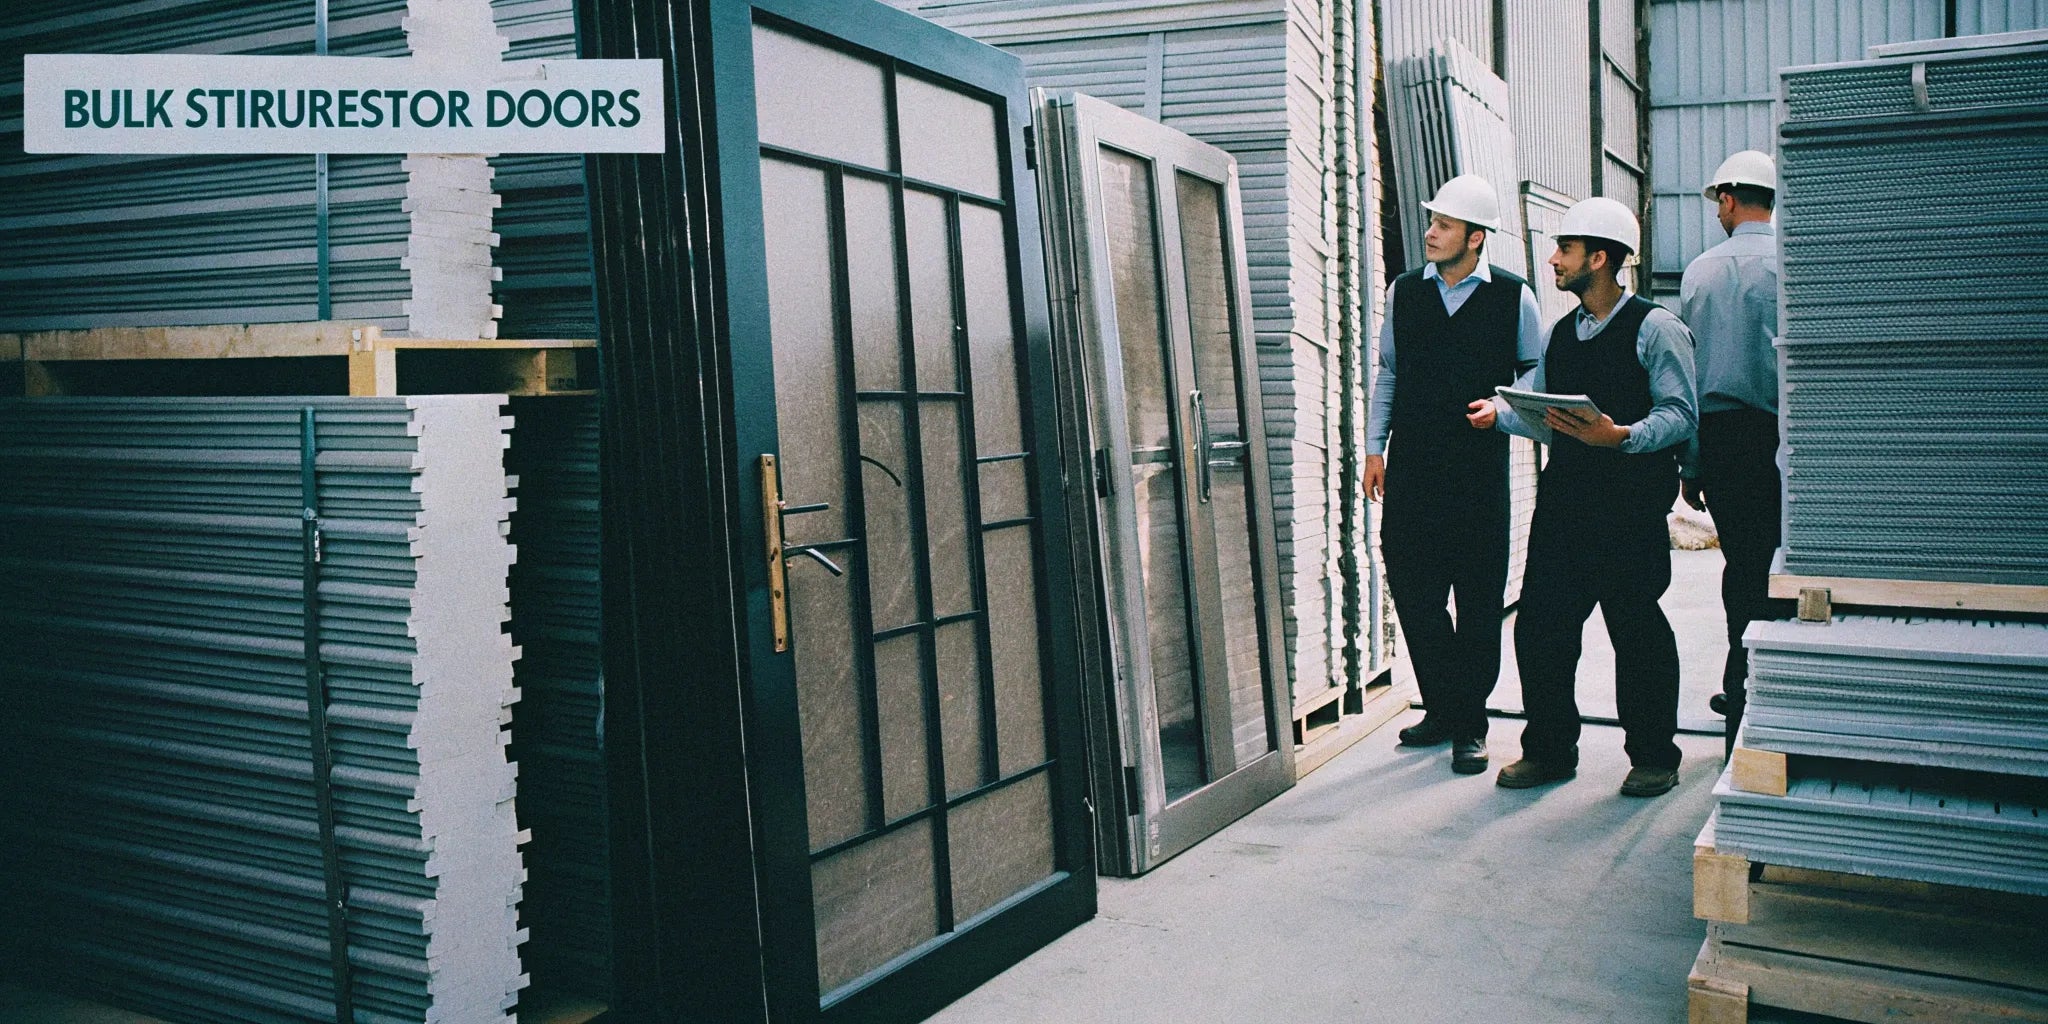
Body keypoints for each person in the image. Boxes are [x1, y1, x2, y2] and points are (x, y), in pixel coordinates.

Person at [1468, 197, 1699, 797]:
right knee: (1541, 629)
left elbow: (1681, 414)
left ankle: (1654, 756)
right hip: (1566, 504)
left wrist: (1620, 436)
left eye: (1565, 250)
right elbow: (1548, 416)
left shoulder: (1656, 328)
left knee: (1636, 630)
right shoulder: (1560, 335)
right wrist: (1502, 413)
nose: (1553, 260)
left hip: (1629, 507)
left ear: (1600, 258)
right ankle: (1549, 750)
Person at [1366, 174, 1544, 775]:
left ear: (1476, 237)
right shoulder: (1405, 293)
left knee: (1477, 599)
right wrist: (1374, 449)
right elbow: (1390, 372)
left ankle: (1470, 723)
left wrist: (1503, 409)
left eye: (1444, 224)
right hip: (1413, 467)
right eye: (1432, 221)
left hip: (1477, 473)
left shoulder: (1514, 297)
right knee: (1413, 587)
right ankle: (1445, 704)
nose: (1430, 232)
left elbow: (1536, 374)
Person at [1680, 150, 1792, 755]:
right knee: (1785, 566)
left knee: (1743, 565)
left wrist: (1692, 462)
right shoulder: (1791, 263)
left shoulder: (1700, 273)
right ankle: (1769, 685)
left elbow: (1689, 378)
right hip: (1788, 438)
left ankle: (1743, 683)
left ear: (1727, 198)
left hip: (1723, 439)